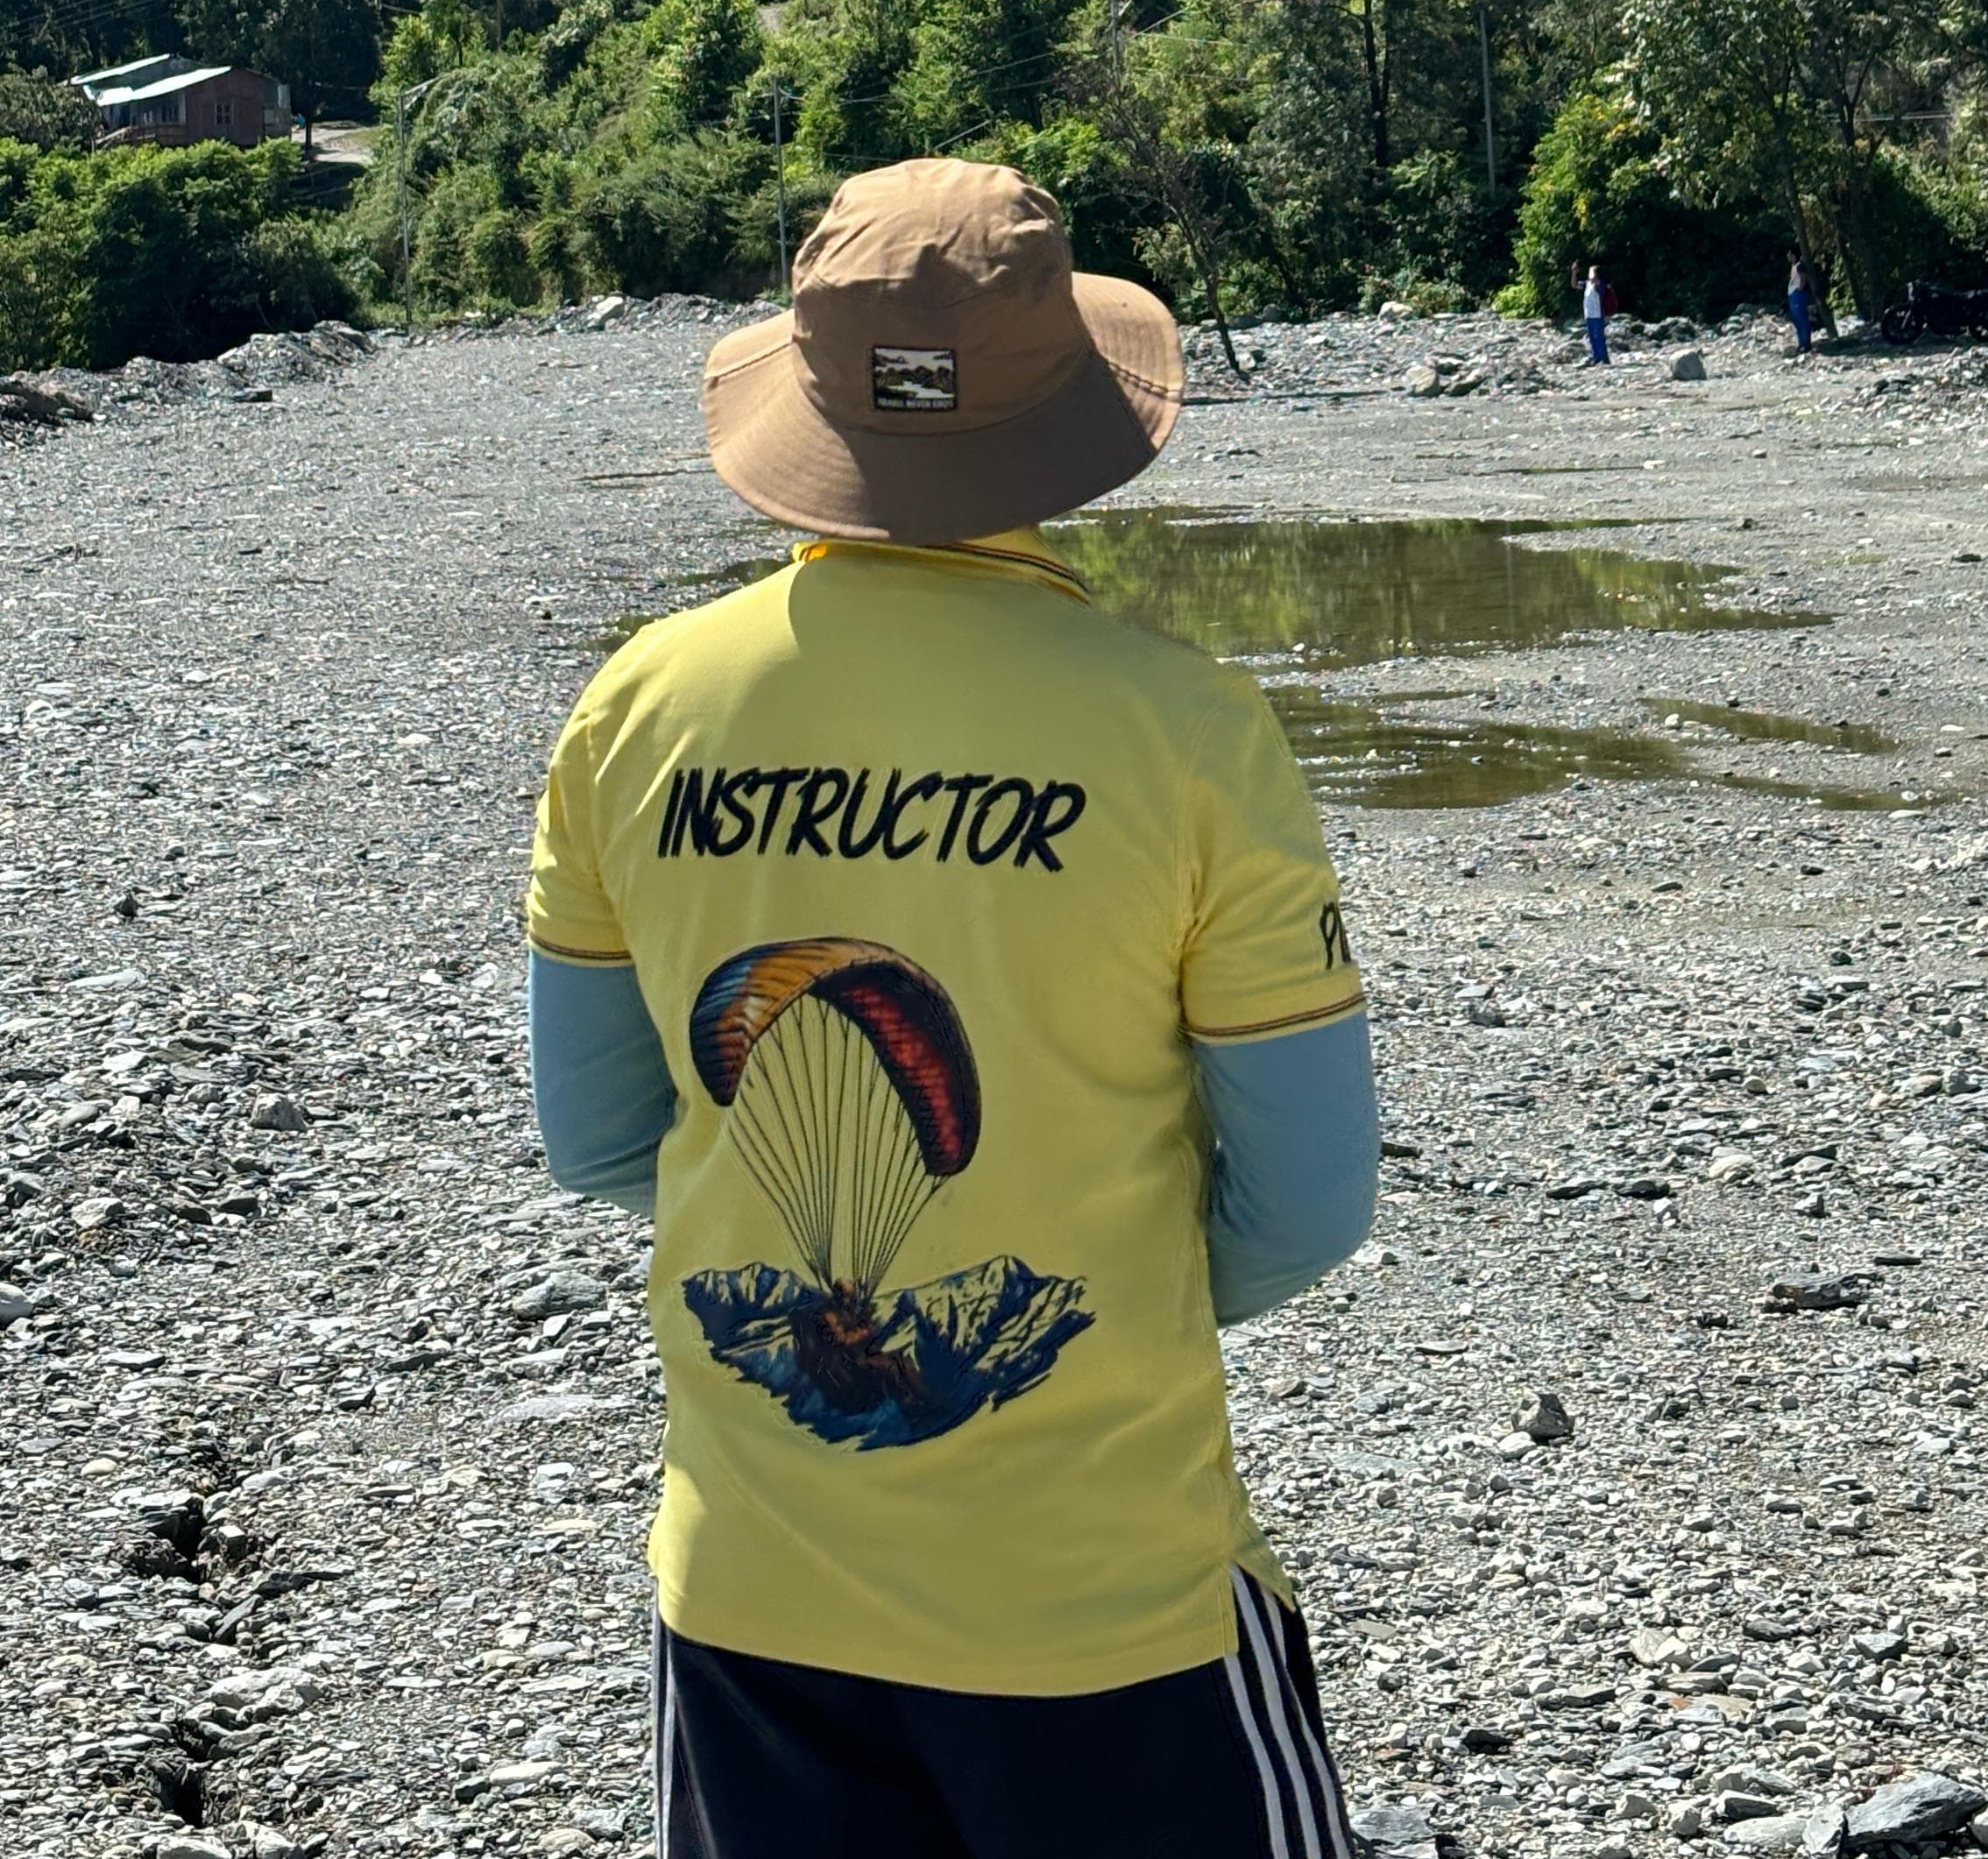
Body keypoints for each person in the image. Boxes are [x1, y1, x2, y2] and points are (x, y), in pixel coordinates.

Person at [525, 157, 1377, 1859]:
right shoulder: (1189, 732)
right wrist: (1103, 1296)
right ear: (1064, 413)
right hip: (1105, 1611)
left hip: (754, 1607)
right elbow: (1311, 1203)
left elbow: (601, 1136)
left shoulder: (637, 709)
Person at [1786, 251, 1816, 357]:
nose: (1788, 256)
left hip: (1798, 295)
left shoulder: (1800, 266)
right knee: (1796, 320)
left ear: (1794, 255)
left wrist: (1800, 288)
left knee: (1802, 319)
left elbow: (1803, 277)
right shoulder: (1794, 267)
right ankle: (1801, 343)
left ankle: (1806, 344)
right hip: (1793, 295)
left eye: (1789, 254)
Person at [1582, 257, 1610, 366]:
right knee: (1592, 337)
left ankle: (1604, 358)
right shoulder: (1587, 284)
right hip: (1588, 314)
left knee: (1599, 336)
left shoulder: (1601, 284)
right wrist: (1574, 273)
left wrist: (1595, 279)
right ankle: (1596, 357)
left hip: (1598, 314)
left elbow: (1600, 292)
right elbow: (1574, 285)